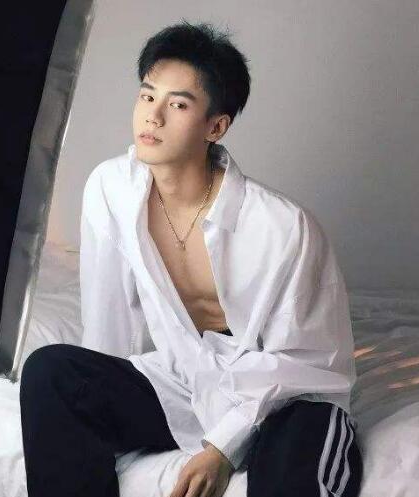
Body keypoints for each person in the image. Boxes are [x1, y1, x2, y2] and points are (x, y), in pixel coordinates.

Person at [19, 19, 363, 497]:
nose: (153, 117)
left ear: (215, 126)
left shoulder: (283, 227)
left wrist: (222, 449)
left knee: (299, 451)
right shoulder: (112, 188)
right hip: (183, 382)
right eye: (147, 96)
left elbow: (307, 364)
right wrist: (102, 403)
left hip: (280, 396)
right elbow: (109, 320)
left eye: (178, 104)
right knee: (52, 372)